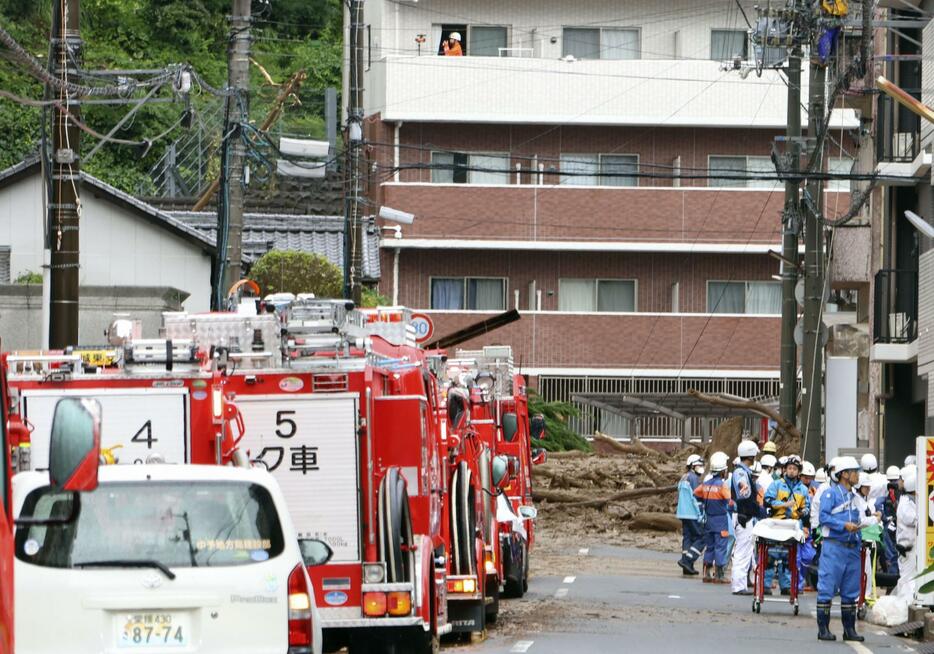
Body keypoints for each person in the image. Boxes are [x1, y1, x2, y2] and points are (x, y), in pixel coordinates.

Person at [816, 456, 864, 642]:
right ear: (844, 474)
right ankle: (823, 630)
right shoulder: (831, 494)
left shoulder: (855, 497)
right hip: (834, 547)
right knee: (827, 588)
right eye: (854, 471)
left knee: (851, 590)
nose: (857, 475)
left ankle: (849, 630)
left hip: (852, 548)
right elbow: (823, 518)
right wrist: (844, 525)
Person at [763, 455, 810, 595]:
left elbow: (807, 506)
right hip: (777, 523)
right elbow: (768, 500)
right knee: (770, 555)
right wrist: (783, 504)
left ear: (798, 471)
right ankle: (765, 584)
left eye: (794, 469)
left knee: (789, 557)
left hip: (793, 526)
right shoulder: (776, 484)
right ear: (784, 470)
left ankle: (787, 586)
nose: (791, 471)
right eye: (789, 468)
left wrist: (803, 512)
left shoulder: (803, 489)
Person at [694, 451, 733, 584]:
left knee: (710, 547)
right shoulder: (722, 485)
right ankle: (719, 575)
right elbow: (730, 501)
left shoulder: (705, 484)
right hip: (720, 520)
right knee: (721, 546)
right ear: (723, 471)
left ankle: (707, 574)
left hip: (708, 520)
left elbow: (696, 493)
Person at [731, 440, 761, 595]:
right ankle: (738, 586)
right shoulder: (741, 472)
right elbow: (744, 490)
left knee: (744, 550)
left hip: (743, 515)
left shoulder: (742, 471)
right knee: (743, 551)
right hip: (744, 516)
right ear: (751, 455)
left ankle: (740, 584)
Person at [676, 454, 705, 576]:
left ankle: (687, 566)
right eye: (699, 465)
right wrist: (701, 514)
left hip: (683, 513)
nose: (701, 467)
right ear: (693, 466)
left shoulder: (684, 477)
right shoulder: (694, 479)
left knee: (688, 537)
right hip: (692, 513)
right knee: (701, 538)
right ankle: (687, 560)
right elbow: (696, 498)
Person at [894, 466, 918, 601]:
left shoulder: (909, 501)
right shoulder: (906, 504)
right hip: (908, 549)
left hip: (911, 548)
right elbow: (916, 520)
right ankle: (904, 605)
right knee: (907, 580)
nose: (899, 482)